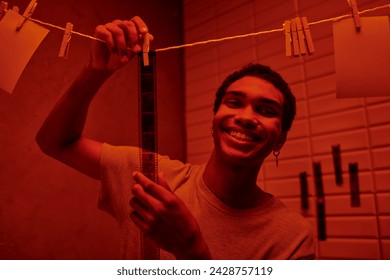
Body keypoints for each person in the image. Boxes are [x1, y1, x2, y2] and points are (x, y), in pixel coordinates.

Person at [36, 16, 315, 260]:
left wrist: (191, 250)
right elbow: (55, 142)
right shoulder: (147, 176)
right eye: (233, 102)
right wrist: (95, 71)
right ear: (214, 122)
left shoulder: (292, 237)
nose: (245, 116)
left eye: (266, 110)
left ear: (279, 139)